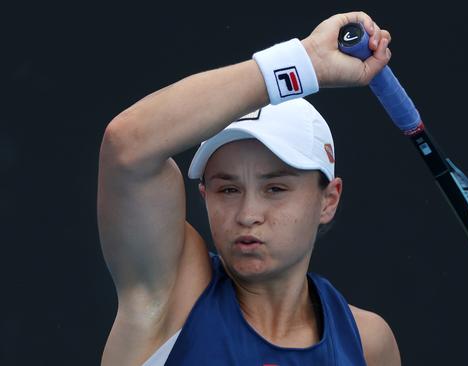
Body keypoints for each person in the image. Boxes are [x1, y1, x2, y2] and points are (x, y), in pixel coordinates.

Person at [98, 11, 400, 365]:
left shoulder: (368, 343)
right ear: (204, 196)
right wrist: (306, 63)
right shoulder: (170, 293)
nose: (248, 215)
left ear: (328, 199)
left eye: (275, 189)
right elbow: (127, 147)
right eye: (228, 190)